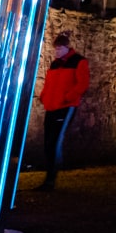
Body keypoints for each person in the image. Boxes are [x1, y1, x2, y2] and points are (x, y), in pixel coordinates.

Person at [34, 34, 89, 189]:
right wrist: (44, 96)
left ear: (66, 48)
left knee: (54, 141)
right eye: (56, 49)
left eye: (59, 49)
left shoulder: (79, 61)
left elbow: (82, 83)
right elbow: (49, 83)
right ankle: (50, 176)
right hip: (52, 106)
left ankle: (51, 178)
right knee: (48, 141)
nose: (56, 52)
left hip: (65, 107)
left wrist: (68, 97)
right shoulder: (55, 64)